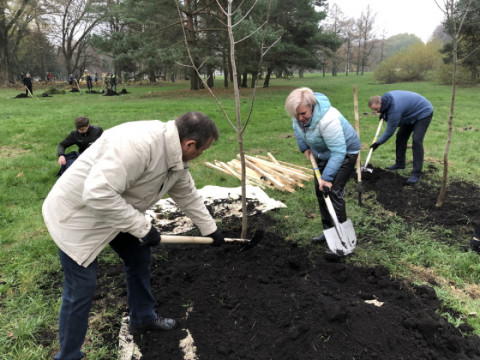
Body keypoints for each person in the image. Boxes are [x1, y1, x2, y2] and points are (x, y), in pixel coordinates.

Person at [42, 112, 225, 360]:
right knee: (80, 290)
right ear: (189, 144)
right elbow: (97, 194)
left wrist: (210, 229)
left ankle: (143, 318)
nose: (201, 155)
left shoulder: (173, 155)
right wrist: (142, 228)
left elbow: (186, 192)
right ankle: (69, 356)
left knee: (139, 258)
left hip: (116, 212)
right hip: (77, 217)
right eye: (202, 150)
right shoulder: (140, 145)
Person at [285, 87, 361, 256]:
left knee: (332, 191)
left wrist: (327, 178)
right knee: (321, 192)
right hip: (322, 152)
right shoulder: (298, 118)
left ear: (311, 106)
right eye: (296, 115)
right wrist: (304, 147)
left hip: (345, 152)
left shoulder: (328, 119)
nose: (300, 118)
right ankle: (329, 232)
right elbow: (297, 131)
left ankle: (343, 238)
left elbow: (339, 151)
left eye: (303, 113)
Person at [368, 91, 434, 184]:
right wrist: (384, 113)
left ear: (380, 102)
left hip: (423, 112)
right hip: (409, 114)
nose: (376, 112)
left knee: (416, 141)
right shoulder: (387, 99)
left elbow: (390, 131)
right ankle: (400, 164)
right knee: (401, 136)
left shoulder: (394, 109)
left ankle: (416, 173)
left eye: (376, 109)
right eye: (374, 110)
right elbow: (393, 116)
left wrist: (378, 143)